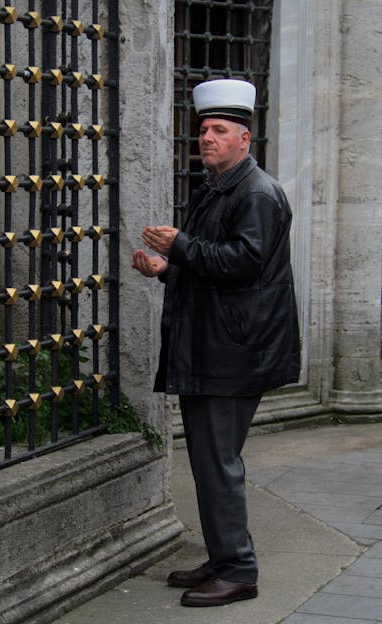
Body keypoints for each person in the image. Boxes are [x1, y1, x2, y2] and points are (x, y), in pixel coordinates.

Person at [132, 78, 300, 607]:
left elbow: (242, 263)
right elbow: (214, 263)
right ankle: (223, 555)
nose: (207, 137)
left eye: (220, 130)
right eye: (204, 129)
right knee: (209, 461)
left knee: (218, 461)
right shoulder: (222, 187)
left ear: (244, 139)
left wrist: (179, 246)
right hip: (217, 346)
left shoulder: (254, 192)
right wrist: (166, 267)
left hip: (233, 352)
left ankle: (239, 570)